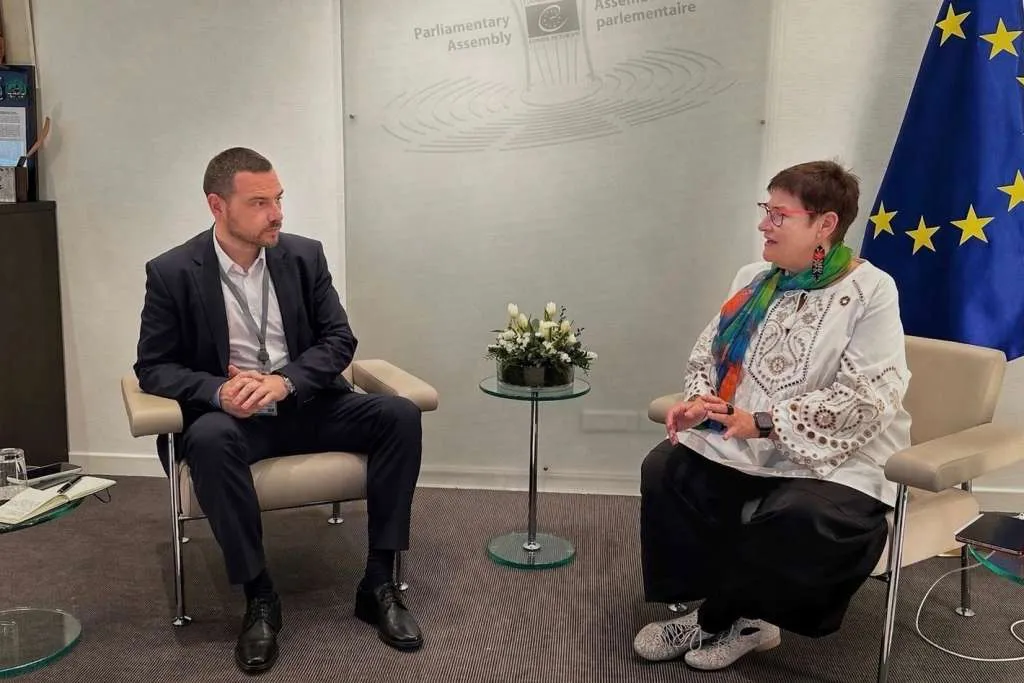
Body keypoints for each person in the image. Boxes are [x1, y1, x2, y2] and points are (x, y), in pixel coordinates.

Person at [134, 147, 425, 674]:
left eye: (279, 199)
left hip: (307, 404)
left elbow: (339, 339)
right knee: (209, 439)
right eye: (260, 203)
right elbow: (153, 366)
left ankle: (378, 582)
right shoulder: (173, 271)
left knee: (399, 416)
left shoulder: (304, 257)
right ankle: (260, 596)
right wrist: (217, 392)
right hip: (237, 421)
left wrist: (284, 382)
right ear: (217, 206)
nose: (277, 214)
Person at [633, 160, 911, 671]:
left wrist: (764, 423)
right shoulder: (754, 279)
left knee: (801, 514)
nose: (764, 224)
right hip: (743, 436)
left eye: (779, 214)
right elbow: (710, 356)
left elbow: (868, 397)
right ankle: (729, 612)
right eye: (766, 210)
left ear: (824, 224)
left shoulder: (872, 290)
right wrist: (702, 401)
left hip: (839, 455)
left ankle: (722, 619)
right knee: (668, 469)